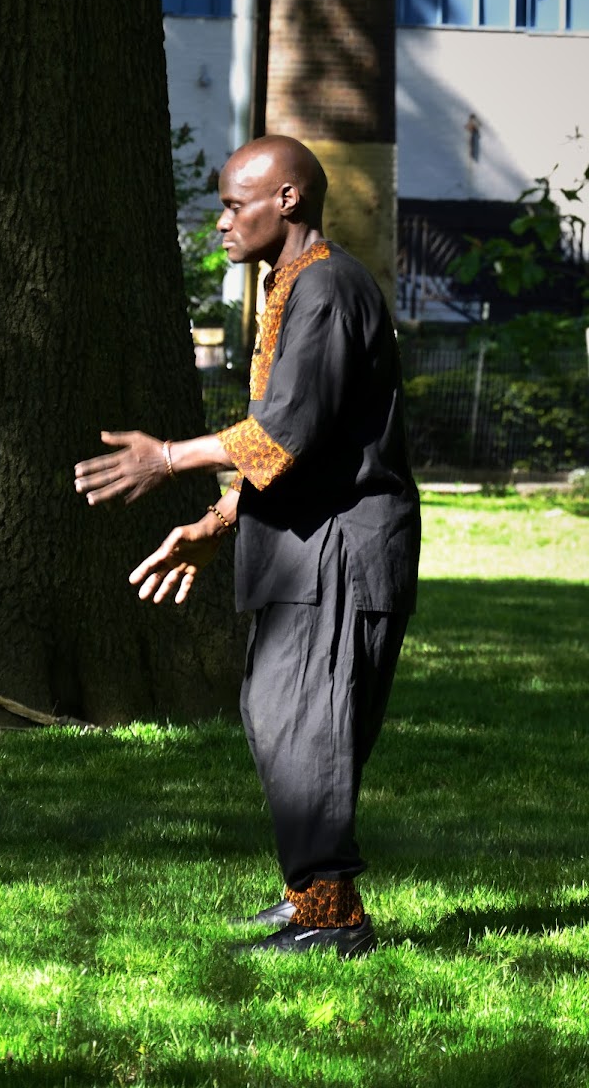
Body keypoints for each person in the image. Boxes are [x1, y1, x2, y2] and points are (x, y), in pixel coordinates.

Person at [74, 135, 420, 956]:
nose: (222, 222)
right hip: (307, 540)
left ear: (288, 200)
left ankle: (333, 921)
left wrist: (167, 458)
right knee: (279, 713)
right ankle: (309, 896)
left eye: (235, 204)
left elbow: (286, 429)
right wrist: (217, 522)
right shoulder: (292, 288)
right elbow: (306, 440)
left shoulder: (328, 287)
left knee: (309, 721)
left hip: (340, 547)